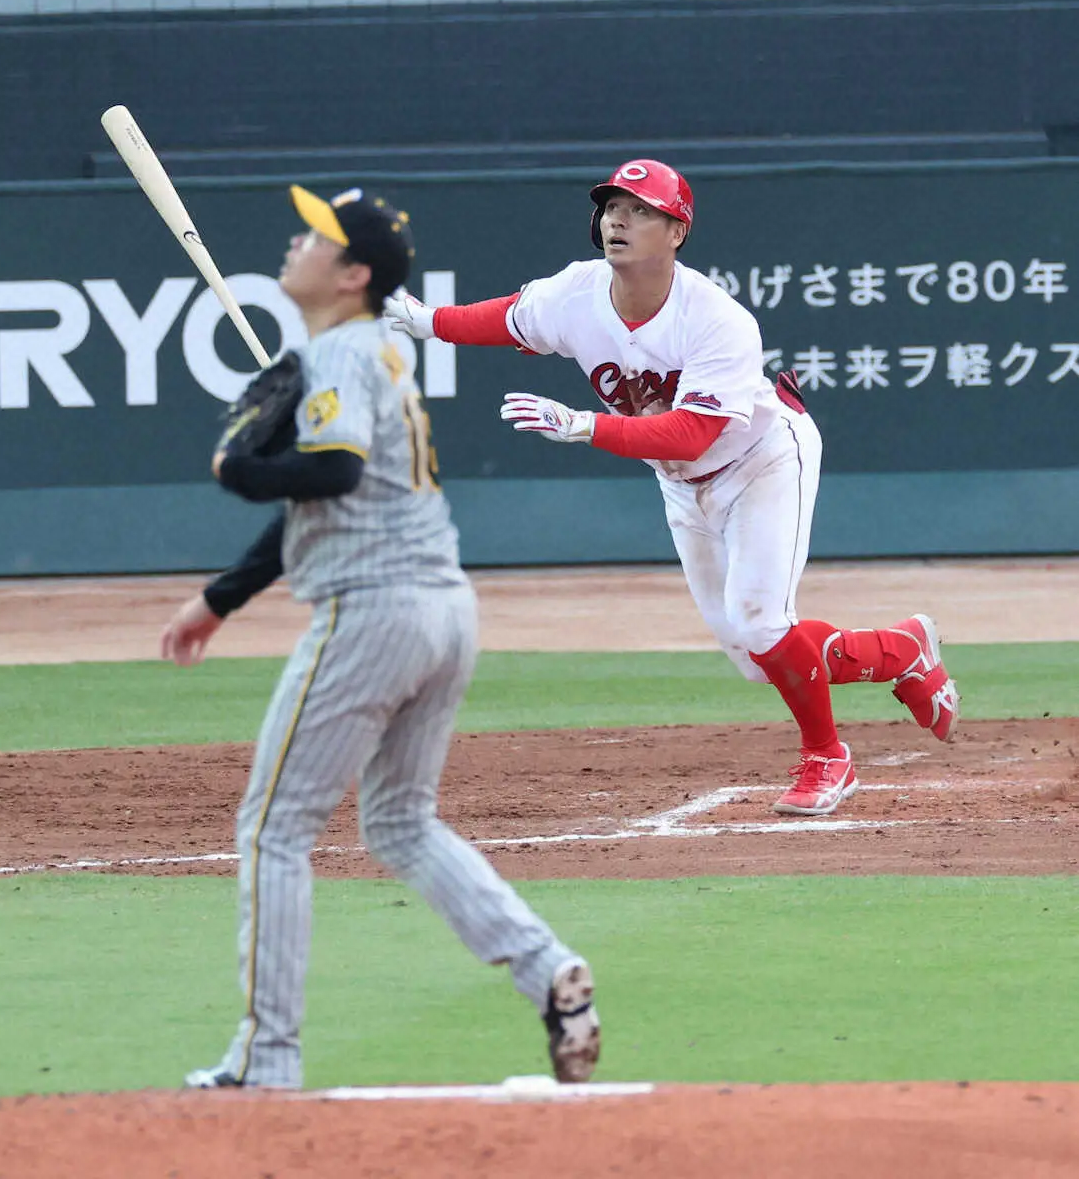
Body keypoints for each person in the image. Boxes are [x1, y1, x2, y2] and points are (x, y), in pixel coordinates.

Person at [161, 183, 599, 1089]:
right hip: (442, 608)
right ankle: (543, 966)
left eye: (314, 237)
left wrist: (238, 462)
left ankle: (264, 1060)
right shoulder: (367, 352)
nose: (295, 243)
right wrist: (222, 598)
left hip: (373, 614)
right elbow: (328, 499)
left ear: (353, 273)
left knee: (273, 829)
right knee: (399, 823)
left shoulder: (340, 357)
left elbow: (329, 471)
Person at [384, 159, 960, 816]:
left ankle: (828, 757)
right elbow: (506, 318)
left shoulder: (717, 319)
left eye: (642, 211)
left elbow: (690, 433)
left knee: (760, 622)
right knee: (755, 654)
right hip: (682, 487)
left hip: (763, 461)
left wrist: (585, 426)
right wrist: (420, 319)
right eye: (612, 208)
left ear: (678, 231)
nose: (618, 221)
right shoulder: (575, 294)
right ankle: (901, 650)